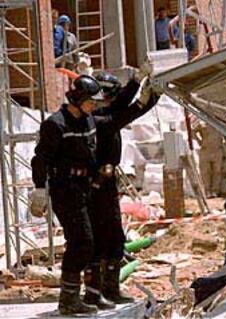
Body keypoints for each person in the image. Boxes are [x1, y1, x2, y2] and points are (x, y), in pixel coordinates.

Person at [30, 74, 155, 315]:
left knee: (88, 242)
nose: (94, 106)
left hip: (84, 188)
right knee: (82, 242)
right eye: (90, 102)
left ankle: (76, 297)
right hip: (64, 189)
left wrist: (143, 101)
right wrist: (39, 188)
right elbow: (41, 159)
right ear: (78, 99)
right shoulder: (56, 125)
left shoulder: (88, 121)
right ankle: (69, 300)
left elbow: (116, 117)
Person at [83, 71, 159, 308]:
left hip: (106, 184)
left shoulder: (104, 112)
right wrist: (143, 99)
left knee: (115, 237)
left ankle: (110, 288)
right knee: (101, 239)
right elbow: (122, 114)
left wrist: (144, 89)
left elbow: (121, 106)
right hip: (95, 187)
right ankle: (97, 291)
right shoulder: (96, 119)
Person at [194, 123, 224, 198]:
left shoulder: (219, 124)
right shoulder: (202, 124)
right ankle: (207, 191)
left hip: (217, 150)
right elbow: (193, 131)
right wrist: (199, 141)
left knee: (217, 171)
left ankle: (215, 190)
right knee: (205, 172)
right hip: (206, 150)